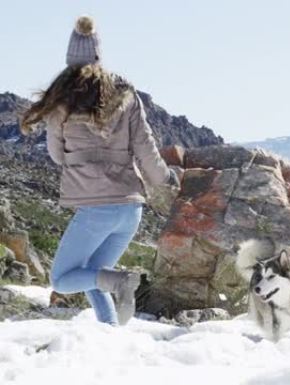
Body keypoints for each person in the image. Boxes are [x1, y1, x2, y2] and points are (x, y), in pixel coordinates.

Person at [21, 16, 178, 326]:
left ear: (70, 60)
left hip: (96, 211)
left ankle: (121, 284)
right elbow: (146, 148)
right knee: (94, 275)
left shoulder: (61, 102)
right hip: (131, 209)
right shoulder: (126, 96)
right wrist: (165, 179)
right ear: (98, 56)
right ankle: (111, 335)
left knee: (63, 279)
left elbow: (55, 154)